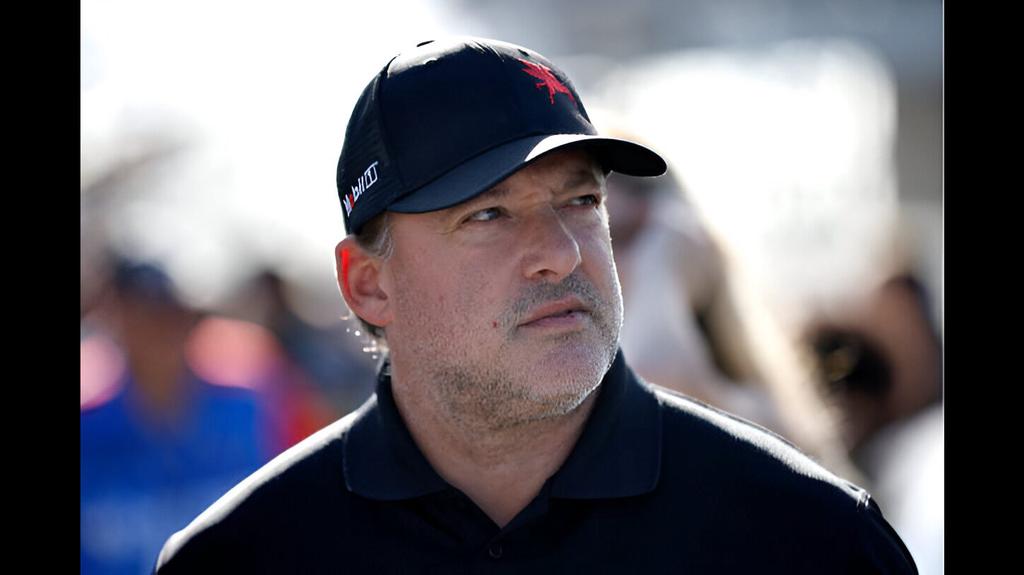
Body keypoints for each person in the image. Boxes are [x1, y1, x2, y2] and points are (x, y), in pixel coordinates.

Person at [154, 37, 917, 573]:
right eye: (487, 214)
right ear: (367, 284)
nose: (561, 248)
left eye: (581, 199)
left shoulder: (812, 539)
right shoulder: (242, 555)